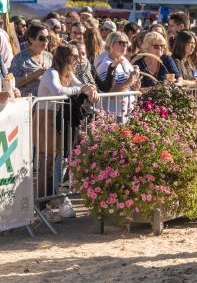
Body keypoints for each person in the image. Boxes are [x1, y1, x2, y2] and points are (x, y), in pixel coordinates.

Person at [38, 43, 98, 218]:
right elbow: (59, 90)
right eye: (74, 55)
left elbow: (80, 85)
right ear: (65, 57)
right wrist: (82, 89)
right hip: (46, 118)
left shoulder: (69, 73)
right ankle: (43, 207)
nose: (78, 59)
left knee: (61, 161)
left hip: (59, 119)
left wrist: (91, 89)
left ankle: (59, 200)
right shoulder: (52, 73)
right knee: (45, 165)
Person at [94, 31, 141, 119]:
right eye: (121, 43)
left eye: (126, 43)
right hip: (112, 114)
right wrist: (129, 81)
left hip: (126, 112)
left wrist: (135, 86)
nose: (125, 46)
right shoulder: (106, 64)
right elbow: (110, 93)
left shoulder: (124, 60)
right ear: (111, 44)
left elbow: (129, 85)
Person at [10, 22, 52, 97]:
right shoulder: (19, 59)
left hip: (47, 105)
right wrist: (35, 74)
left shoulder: (50, 57)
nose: (46, 41)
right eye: (42, 38)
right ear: (31, 39)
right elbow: (12, 84)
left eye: (48, 38)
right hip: (28, 105)